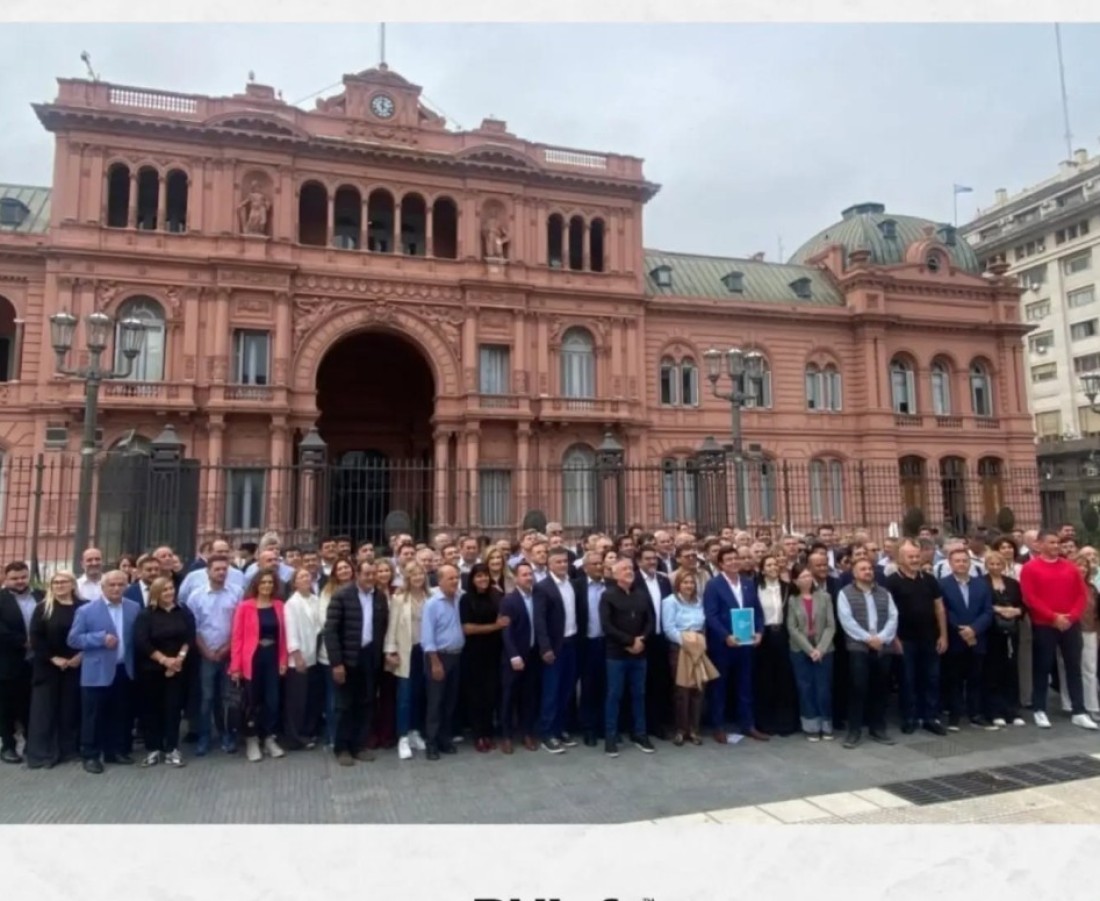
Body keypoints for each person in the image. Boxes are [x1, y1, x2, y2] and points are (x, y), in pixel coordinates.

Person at [1020, 530, 1098, 731]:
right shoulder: (1030, 568)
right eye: (1052, 542)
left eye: (1058, 543)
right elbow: (1030, 597)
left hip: (1070, 624)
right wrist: (1053, 617)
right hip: (1045, 625)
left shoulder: (1070, 567)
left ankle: (1079, 710)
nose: (1056, 546)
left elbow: (1081, 595)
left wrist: (1070, 617)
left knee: (1074, 666)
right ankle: (1040, 709)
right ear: (1040, 544)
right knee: (1043, 666)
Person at [67, 570, 140, 774]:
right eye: (112, 585)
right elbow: (73, 639)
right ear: (103, 587)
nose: (117, 588)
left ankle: (114, 751)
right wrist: (99, 638)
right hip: (97, 670)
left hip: (124, 669)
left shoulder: (133, 608)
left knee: (120, 712)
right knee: (93, 715)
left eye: (121, 584)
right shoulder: (87, 611)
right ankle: (90, 754)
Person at [324, 560, 389, 767]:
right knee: (344, 705)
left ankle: (359, 745)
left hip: (369, 656)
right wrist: (337, 663)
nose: (371, 578)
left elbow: (383, 626)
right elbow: (330, 631)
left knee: (366, 702)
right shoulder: (342, 595)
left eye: (373, 574)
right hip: (348, 658)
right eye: (367, 574)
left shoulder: (379, 597)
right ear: (357, 575)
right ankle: (342, 747)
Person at [703, 546, 767, 743]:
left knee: (745, 685)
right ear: (721, 563)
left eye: (735, 558)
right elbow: (711, 615)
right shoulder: (714, 585)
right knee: (720, 686)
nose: (733, 562)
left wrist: (759, 631)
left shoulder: (748, 583)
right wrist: (725, 636)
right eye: (728, 559)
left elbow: (757, 611)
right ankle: (718, 726)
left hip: (746, 643)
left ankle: (747, 724)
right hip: (724, 645)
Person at [886, 539, 947, 737]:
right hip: (905, 639)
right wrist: (894, 638)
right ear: (900, 558)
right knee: (907, 679)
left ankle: (930, 717)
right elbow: (888, 612)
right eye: (910, 556)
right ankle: (909, 718)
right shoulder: (892, 581)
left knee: (931, 677)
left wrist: (944, 635)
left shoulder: (929, 580)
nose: (914, 560)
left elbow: (939, 608)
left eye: (916, 556)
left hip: (930, 638)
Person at [133, 577, 195, 768]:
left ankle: (171, 748)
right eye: (164, 590)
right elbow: (142, 641)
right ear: (156, 593)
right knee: (152, 709)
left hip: (177, 668)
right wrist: (164, 660)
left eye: (171, 588)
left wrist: (179, 659)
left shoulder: (183, 611)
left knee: (173, 709)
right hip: (151, 669)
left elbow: (190, 636)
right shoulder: (146, 615)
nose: (169, 592)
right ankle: (154, 748)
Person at [24, 572, 84, 769]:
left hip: (75, 665)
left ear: (72, 584)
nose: (59, 585)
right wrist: (53, 658)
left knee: (70, 709)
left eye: (63, 581)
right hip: (48, 666)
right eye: (55, 582)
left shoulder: (84, 606)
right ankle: (42, 754)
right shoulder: (43, 608)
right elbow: (35, 637)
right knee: (45, 711)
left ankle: (69, 750)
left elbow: (91, 632)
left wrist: (80, 656)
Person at [183, 554, 241, 756]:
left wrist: (226, 648)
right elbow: (193, 628)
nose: (221, 572)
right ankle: (204, 736)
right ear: (208, 571)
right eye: (217, 569)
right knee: (206, 697)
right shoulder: (196, 596)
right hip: (205, 653)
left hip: (229, 653)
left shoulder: (236, 593)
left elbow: (239, 626)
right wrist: (206, 651)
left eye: (224, 569)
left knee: (227, 697)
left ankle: (227, 735)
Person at [837, 559, 898, 749]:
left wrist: (881, 638)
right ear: (854, 573)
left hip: (882, 647)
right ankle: (854, 730)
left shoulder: (884, 593)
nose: (868, 572)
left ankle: (877, 728)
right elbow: (847, 621)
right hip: (859, 648)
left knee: (880, 688)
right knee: (858, 688)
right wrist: (867, 638)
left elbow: (893, 617)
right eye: (862, 569)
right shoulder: (845, 593)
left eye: (870, 569)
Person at [229, 570, 289, 762]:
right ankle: (252, 738)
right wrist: (235, 667)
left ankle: (269, 737)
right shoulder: (245, 607)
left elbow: (284, 636)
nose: (266, 586)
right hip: (252, 660)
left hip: (272, 658)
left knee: (273, 700)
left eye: (270, 582)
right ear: (256, 584)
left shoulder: (279, 606)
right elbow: (237, 638)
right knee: (252, 701)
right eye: (263, 582)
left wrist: (283, 660)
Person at [600, 558, 655, 757]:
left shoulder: (641, 594)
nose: (628, 571)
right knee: (614, 695)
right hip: (616, 654)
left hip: (640, 654)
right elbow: (607, 625)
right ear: (615, 575)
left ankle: (640, 734)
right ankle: (611, 737)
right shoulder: (607, 596)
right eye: (623, 569)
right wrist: (630, 641)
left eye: (630, 568)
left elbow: (650, 620)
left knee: (639, 694)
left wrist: (642, 639)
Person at [533, 547, 583, 754]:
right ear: (549, 564)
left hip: (571, 642)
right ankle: (546, 733)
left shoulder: (571, 584)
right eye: (558, 562)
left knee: (566, 690)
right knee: (551, 691)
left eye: (565, 561)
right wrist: (545, 647)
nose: (563, 565)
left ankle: (559, 728)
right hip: (555, 646)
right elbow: (540, 620)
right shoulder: (543, 587)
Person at [939, 547, 995, 731]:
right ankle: (955, 715)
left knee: (976, 677)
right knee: (954, 678)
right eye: (957, 561)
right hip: (955, 639)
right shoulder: (942, 585)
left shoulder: (981, 584)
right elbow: (944, 611)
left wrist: (974, 629)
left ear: (969, 563)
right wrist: (962, 630)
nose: (961, 564)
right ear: (950, 563)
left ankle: (975, 714)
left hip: (977, 638)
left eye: (965, 560)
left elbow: (987, 611)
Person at [459, 563, 507, 753]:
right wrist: (494, 627)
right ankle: (479, 735)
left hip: (494, 651)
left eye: (485, 576)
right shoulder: (465, 599)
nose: (483, 579)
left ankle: (488, 732)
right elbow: (467, 628)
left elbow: (504, 618)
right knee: (476, 695)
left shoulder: (496, 596)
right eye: (478, 576)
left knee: (491, 693)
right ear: (472, 579)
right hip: (474, 653)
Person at [786, 564, 836, 741]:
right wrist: (809, 649)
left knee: (823, 688)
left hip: (824, 649)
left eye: (809, 576)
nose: (807, 580)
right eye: (803, 577)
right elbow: (792, 628)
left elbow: (831, 625)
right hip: (800, 649)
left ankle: (826, 724)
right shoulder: (792, 600)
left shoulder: (825, 597)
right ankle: (811, 726)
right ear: (795, 581)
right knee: (805, 687)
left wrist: (820, 649)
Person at [0, 561, 43, 764]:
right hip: (8, 662)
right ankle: (8, 746)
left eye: (23, 577)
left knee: (31, 705)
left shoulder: (40, 596)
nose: (19, 582)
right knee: (6, 707)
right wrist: (25, 643)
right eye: (14, 578)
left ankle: (30, 744)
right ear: (6, 579)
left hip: (37, 662)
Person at [385, 561, 429, 760]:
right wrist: (390, 650)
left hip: (425, 650)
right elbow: (392, 627)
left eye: (421, 574)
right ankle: (402, 736)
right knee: (405, 695)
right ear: (408, 578)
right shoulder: (399, 599)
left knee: (420, 693)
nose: (418, 578)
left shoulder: (431, 596)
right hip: (406, 650)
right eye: (414, 575)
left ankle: (414, 731)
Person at [421, 564, 465, 760]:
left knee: (451, 701)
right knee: (435, 702)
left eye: (457, 577)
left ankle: (444, 739)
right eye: (450, 578)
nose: (455, 581)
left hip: (456, 655)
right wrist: (435, 662)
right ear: (439, 581)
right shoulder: (432, 603)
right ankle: (431, 742)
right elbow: (427, 636)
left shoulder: (459, 598)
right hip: (438, 656)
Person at [661, 569, 707, 745]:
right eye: (685, 582)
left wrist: (699, 643)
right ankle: (681, 729)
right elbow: (669, 629)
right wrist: (686, 643)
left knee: (698, 688)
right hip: (680, 647)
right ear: (678, 584)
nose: (689, 586)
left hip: (698, 645)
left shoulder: (699, 602)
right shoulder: (670, 602)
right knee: (682, 690)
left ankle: (695, 729)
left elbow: (703, 624)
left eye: (692, 583)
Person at [498, 562, 540, 754]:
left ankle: (527, 732)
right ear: (516, 578)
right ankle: (506, 736)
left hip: (533, 654)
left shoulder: (537, 597)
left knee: (529, 696)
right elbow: (506, 630)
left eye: (530, 574)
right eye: (524, 575)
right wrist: (513, 655)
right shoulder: (509, 600)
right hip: (514, 657)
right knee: (508, 697)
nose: (529, 578)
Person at [633, 545, 673, 741]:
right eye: (647, 559)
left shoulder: (664, 580)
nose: (651, 562)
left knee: (660, 682)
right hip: (642, 638)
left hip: (661, 638)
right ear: (639, 561)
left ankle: (658, 723)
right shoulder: (634, 580)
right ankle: (640, 725)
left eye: (654, 559)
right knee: (641, 685)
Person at [982, 549, 1025, 727]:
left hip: (1012, 631)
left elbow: (1023, 604)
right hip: (992, 632)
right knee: (993, 671)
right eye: (991, 564)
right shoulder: (981, 583)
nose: (995, 567)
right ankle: (994, 711)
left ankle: (1012, 710)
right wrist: (997, 609)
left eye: (998, 564)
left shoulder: (1013, 583)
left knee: (1011, 670)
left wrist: (1016, 611)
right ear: (986, 565)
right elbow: (981, 605)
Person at [283, 568, 324, 751]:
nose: (306, 579)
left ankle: (309, 732)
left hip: (315, 655)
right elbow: (291, 632)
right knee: (297, 700)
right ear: (294, 583)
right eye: (301, 577)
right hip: (298, 658)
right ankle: (295, 736)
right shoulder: (291, 604)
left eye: (308, 576)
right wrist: (297, 656)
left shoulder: (316, 600)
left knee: (311, 697)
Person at [575, 550, 608, 747]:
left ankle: (606, 726)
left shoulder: (610, 586)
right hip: (586, 642)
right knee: (588, 687)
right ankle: (589, 728)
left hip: (608, 642)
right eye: (594, 564)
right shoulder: (577, 586)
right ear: (585, 567)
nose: (598, 567)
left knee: (607, 686)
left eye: (600, 564)